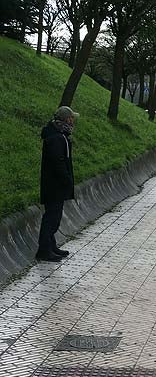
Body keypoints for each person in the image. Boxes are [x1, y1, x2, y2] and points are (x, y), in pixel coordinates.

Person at [38, 106, 78, 262]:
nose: (73, 120)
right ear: (66, 119)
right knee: (52, 218)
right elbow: (58, 162)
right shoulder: (57, 138)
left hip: (54, 184)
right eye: (71, 118)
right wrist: (67, 179)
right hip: (54, 185)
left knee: (54, 215)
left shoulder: (60, 135)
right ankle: (44, 250)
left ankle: (51, 246)